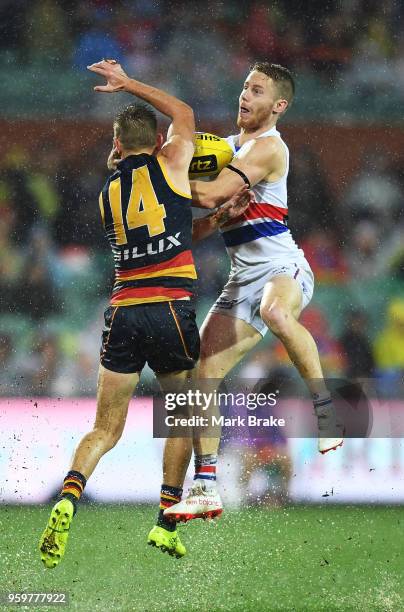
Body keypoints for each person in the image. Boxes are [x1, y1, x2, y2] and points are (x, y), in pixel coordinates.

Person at [38, 59, 253, 566]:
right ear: (156, 141)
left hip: (125, 313)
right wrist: (127, 82)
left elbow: (154, 243)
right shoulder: (173, 158)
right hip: (172, 308)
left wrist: (212, 221)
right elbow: (184, 111)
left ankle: (69, 497)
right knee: (181, 414)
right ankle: (165, 521)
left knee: (103, 430)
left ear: (116, 146)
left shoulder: (107, 194)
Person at [164, 62, 344, 522]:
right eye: (244, 86)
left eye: (257, 90)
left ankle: (326, 410)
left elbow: (206, 194)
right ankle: (205, 484)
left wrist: (154, 178)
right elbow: (199, 224)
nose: (245, 95)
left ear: (278, 105)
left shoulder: (269, 148)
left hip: (284, 268)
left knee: (279, 314)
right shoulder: (227, 147)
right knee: (198, 374)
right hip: (241, 279)